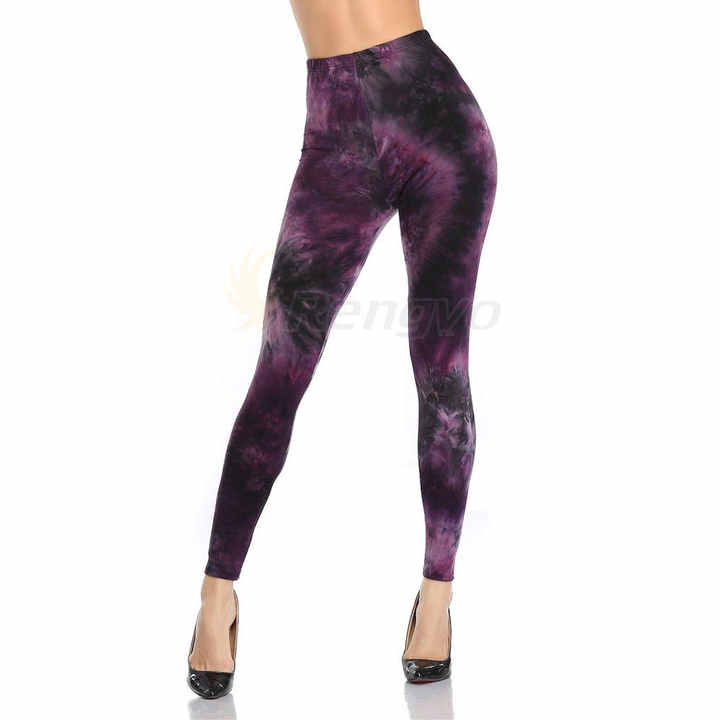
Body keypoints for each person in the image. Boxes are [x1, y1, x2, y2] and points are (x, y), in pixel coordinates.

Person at [187, 0, 496, 697]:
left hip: (440, 119)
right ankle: (216, 594)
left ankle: (437, 602)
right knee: (279, 373)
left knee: (442, 376)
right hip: (339, 136)